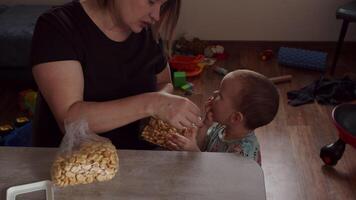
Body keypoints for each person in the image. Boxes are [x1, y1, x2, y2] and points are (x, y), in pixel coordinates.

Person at [31, 0, 203, 149]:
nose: (156, 16)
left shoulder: (148, 33)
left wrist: (164, 104)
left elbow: (164, 82)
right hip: (73, 165)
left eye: (163, 4)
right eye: (151, 1)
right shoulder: (57, 26)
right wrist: (153, 103)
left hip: (138, 162)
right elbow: (69, 120)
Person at [167, 70, 280, 165]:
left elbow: (215, 178)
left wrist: (193, 151)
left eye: (220, 95)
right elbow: (202, 146)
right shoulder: (221, 127)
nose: (214, 93)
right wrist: (205, 125)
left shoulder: (242, 154)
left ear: (235, 117)